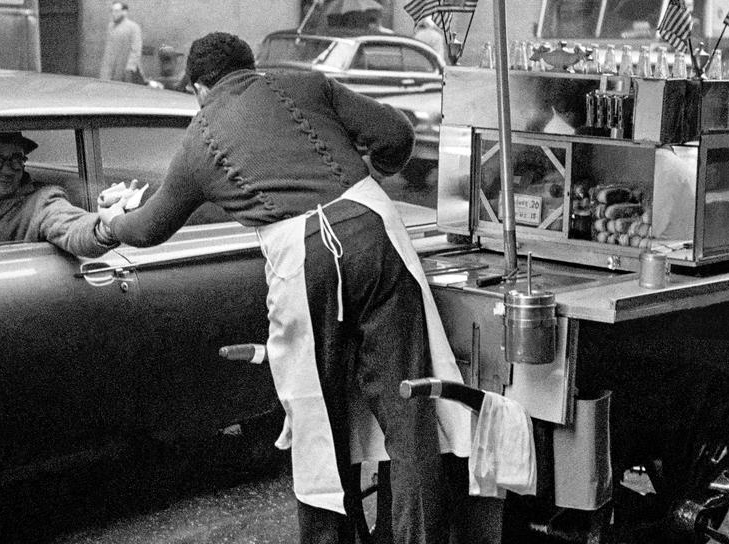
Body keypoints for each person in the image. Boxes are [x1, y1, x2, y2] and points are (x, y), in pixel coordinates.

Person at [98, 32, 470, 544]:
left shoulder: (201, 136)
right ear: (252, 66)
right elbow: (397, 134)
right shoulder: (308, 85)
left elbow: (148, 229)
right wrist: (372, 173)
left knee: (318, 418)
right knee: (408, 414)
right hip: (374, 231)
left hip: (305, 259)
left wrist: (108, 223)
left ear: (199, 88)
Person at [0, 131, 121, 257]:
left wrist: (106, 227)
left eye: (16, 159)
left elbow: (70, 226)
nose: (8, 169)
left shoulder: (42, 202)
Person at [98, 1, 145, 83]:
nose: (113, 13)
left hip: (125, 68)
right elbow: (108, 49)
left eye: (116, 11)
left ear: (124, 12)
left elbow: (136, 49)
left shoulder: (133, 27)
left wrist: (130, 67)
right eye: (112, 11)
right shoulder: (111, 26)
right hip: (110, 67)